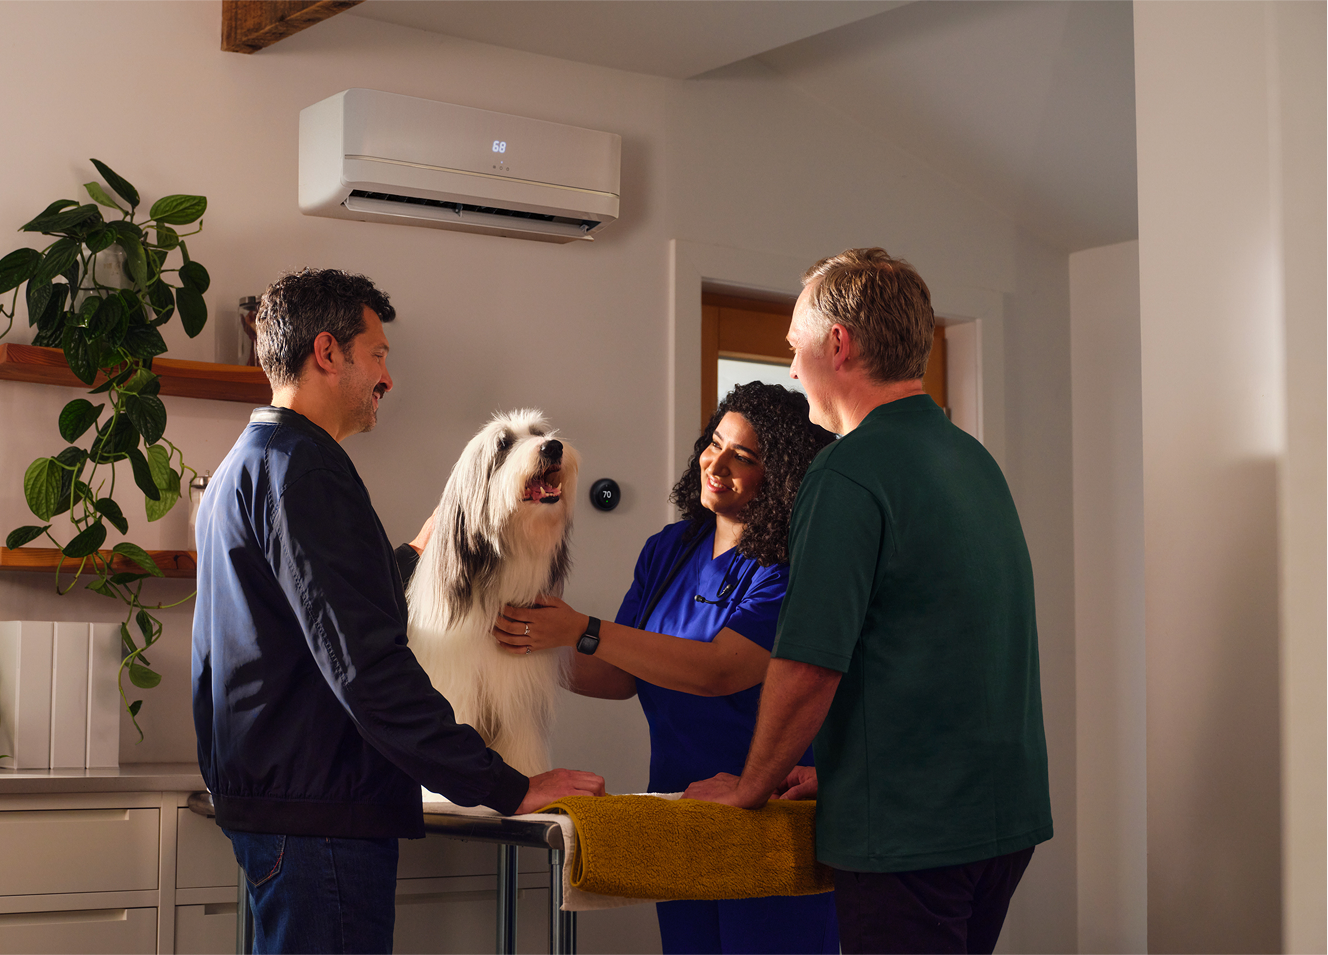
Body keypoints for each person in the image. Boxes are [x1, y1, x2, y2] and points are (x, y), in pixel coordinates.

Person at [191, 267, 604, 955]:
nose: (387, 378)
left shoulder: (249, 462)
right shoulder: (308, 471)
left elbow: (307, 614)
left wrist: (410, 558)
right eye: (377, 356)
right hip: (321, 817)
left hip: (277, 802)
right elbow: (367, 666)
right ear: (328, 353)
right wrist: (505, 784)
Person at [683, 249, 1052, 955]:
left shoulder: (846, 471)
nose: (791, 369)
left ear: (838, 343)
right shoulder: (970, 459)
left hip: (912, 837)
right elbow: (949, 648)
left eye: (794, 347)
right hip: (1000, 820)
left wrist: (750, 786)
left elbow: (808, 662)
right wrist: (843, 767)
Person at [496, 381, 838, 955]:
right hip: (681, 812)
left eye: (744, 458)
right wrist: (523, 651)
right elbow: (622, 675)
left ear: (781, 479)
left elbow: (720, 671)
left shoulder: (791, 568)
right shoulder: (670, 548)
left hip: (771, 816)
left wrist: (581, 629)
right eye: (715, 443)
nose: (716, 462)